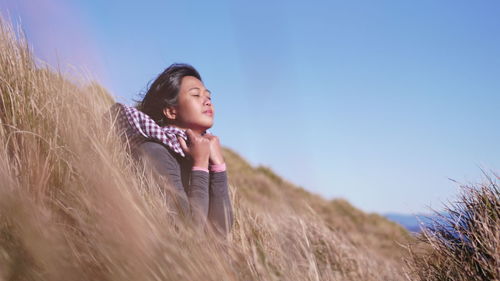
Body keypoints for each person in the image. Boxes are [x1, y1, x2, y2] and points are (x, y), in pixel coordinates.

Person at [111, 63, 233, 238]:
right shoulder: (154, 152)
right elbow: (188, 232)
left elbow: (222, 230)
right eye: (196, 95)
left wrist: (218, 167)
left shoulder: (196, 153)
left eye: (208, 96)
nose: (207, 101)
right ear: (170, 111)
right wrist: (199, 165)